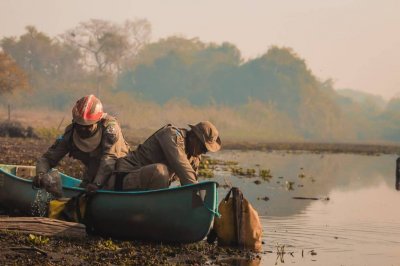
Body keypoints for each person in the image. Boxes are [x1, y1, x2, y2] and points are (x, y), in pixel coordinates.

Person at [35, 94, 130, 194]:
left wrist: (97, 184)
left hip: (120, 175)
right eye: (79, 125)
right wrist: (41, 174)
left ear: (97, 122)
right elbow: (48, 158)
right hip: (92, 176)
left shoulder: (110, 129)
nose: (83, 129)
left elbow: (110, 159)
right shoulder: (70, 134)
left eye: (88, 126)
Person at [114, 121, 221, 190]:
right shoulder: (171, 135)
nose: (204, 152)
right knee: (160, 171)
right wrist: (199, 192)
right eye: (203, 147)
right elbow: (183, 169)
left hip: (149, 188)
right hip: (126, 177)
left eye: (206, 150)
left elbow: (192, 183)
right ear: (193, 137)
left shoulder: (194, 156)